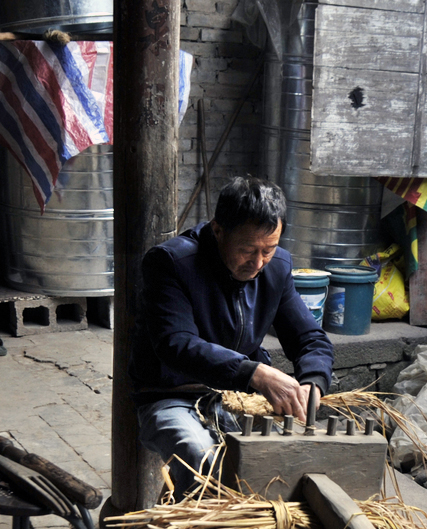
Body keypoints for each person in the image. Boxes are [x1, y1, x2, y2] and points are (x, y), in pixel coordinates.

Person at [129, 175, 335, 497]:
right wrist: (255, 373)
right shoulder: (172, 263)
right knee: (207, 462)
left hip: (239, 399)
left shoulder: (277, 267)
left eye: (269, 249)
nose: (257, 263)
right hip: (171, 395)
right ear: (218, 229)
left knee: (280, 464)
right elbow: (176, 343)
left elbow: (310, 338)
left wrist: (313, 381)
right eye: (247, 250)